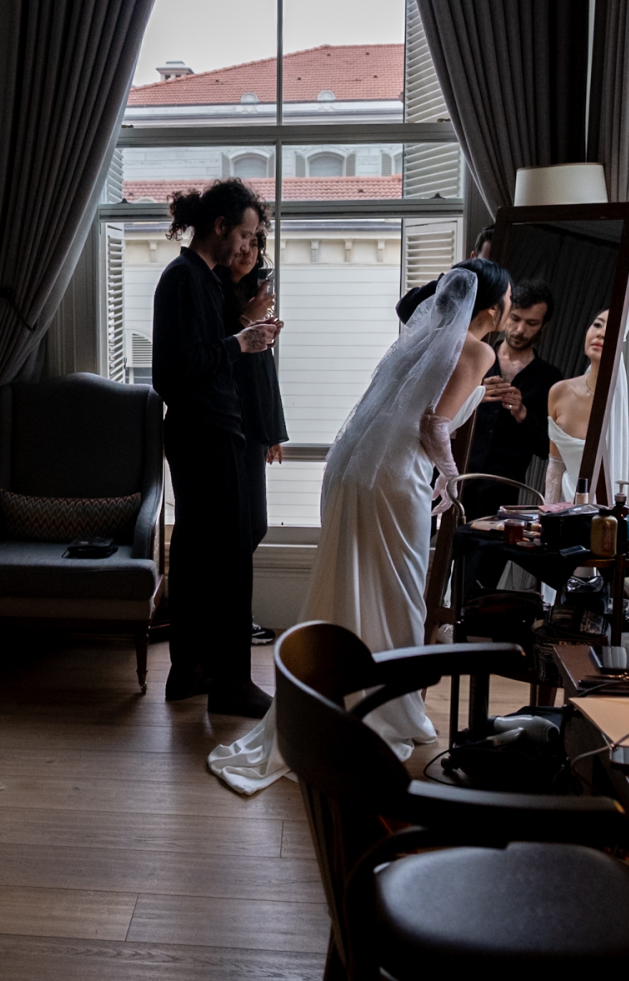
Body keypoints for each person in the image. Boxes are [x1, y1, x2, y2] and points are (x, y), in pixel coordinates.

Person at [208, 259, 510, 794]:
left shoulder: (429, 340)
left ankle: (352, 691)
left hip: (351, 468)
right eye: (509, 299)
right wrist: (452, 477)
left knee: (353, 579)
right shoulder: (477, 348)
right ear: (492, 308)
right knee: (398, 593)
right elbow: (435, 424)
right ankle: (388, 710)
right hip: (392, 479)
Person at [152, 179, 281, 719]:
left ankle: (189, 670)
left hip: (213, 432)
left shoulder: (202, 281)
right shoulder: (183, 279)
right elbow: (172, 371)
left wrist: (240, 334)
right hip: (207, 433)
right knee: (228, 558)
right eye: (245, 233)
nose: (248, 245)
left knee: (202, 552)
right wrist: (240, 341)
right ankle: (231, 683)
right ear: (221, 226)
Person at [219, 227, 289, 645]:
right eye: (243, 242)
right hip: (227, 426)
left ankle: (231, 617)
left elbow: (262, 372)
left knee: (253, 526)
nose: (249, 251)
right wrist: (248, 320)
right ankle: (229, 619)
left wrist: (271, 432)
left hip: (252, 427)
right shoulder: (216, 293)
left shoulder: (255, 291)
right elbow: (214, 358)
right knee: (239, 529)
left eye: (256, 244)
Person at [461, 277, 561, 522]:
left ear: (543, 325)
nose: (520, 330)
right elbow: (440, 417)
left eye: (531, 323)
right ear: (504, 314)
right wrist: (473, 393)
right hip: (456, 479)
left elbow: (548, 449)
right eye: (515, 318)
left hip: (502, 493)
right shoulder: (473, 358)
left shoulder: (549, 378)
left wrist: (523, 415)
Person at [545, 308, 608, 502]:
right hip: (567, 504)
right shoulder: (560, 391)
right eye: (597, 324)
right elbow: (556, 465)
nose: (601, 333)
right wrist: (548, 515)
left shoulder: (625, 405)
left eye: (610, 329)